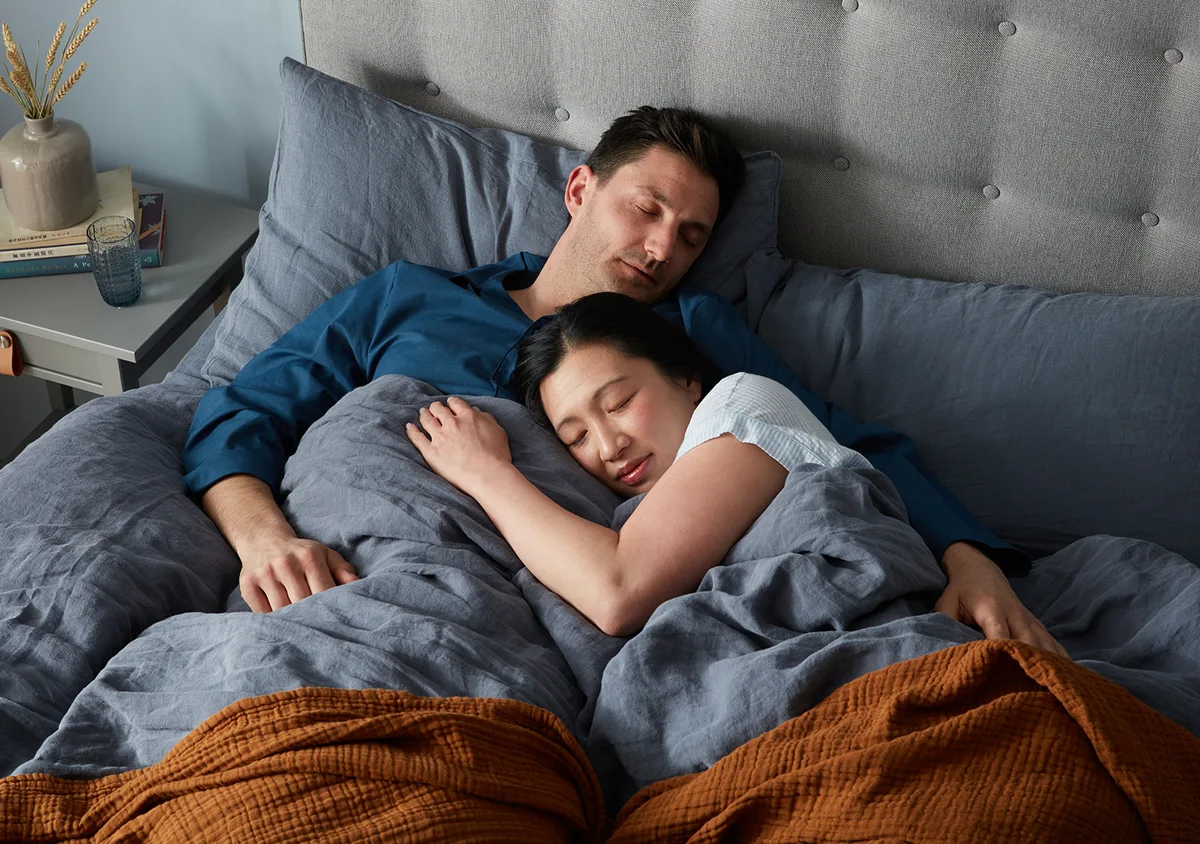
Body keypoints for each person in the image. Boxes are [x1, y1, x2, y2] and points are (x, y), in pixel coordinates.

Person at [182, 105, 1051, 651]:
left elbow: (836, 443)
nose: (662, 248)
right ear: (580, 190)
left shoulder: (690, 340)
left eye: (693, 235)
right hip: (351, 567)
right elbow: (240, 407)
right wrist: (263, 538)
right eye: (648, 209)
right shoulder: (408, 298)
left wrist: (970, 560)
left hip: (550, 607)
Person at [405, 293, 1066, 657]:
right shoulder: (652, 504)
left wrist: (486, 473)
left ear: (688, 381)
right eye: (575, 435)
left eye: (619, 402)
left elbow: (617, 590)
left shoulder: (740, 405)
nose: (607, 443)